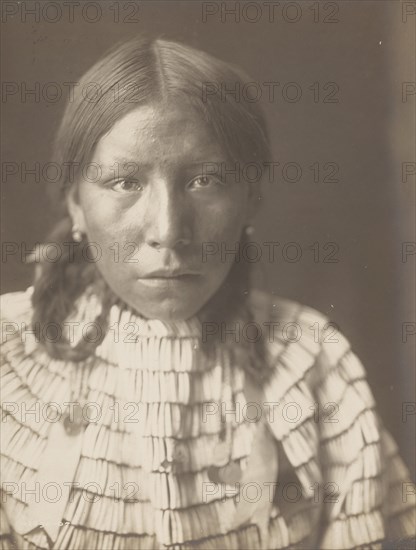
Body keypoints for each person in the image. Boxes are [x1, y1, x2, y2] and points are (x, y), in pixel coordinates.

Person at [0, 35, 414, 550]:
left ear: (250, 199)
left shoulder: (314, 363)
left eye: (204, 180)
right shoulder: (8, 357)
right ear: (77, 205)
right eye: (125, 182)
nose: (169, 230)